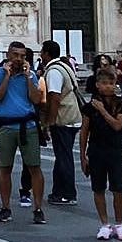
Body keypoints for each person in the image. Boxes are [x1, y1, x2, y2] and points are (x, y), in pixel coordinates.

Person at [0, 42, 46, 225]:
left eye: (22, 56)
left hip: (27, 126)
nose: (19, 59)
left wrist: (29, 77)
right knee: (5, 167)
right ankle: (5, 208)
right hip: (5, 127)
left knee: (34, 167)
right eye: (15, 55)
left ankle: (38, 208)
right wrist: (7, 76)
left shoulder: (31, 75)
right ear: (8, 55)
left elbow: (36, 99)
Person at [80, 66, 122, 240]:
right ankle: (104, 224)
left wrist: (102, 110)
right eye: (104, 83)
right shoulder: (89, 107)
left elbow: (118, 126)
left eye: (111, 83)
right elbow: (84, 131)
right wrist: (82, 156)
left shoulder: (121, 104)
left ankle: (119, 224)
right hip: (96, 150)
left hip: (115, 150)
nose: (108, 86)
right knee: (98, 188)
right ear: (97, 85)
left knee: (118, 189)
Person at [41, 39, 82, 206]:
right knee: (62, 156)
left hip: (64, 118)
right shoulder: (65, 66)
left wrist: (49, 121)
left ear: (47, 53)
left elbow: (55, 97)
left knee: (64, 157)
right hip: (72, 117)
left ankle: (67, 193)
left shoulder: (54, 71)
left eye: (42, 52)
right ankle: (58, 192)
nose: (41, 55)